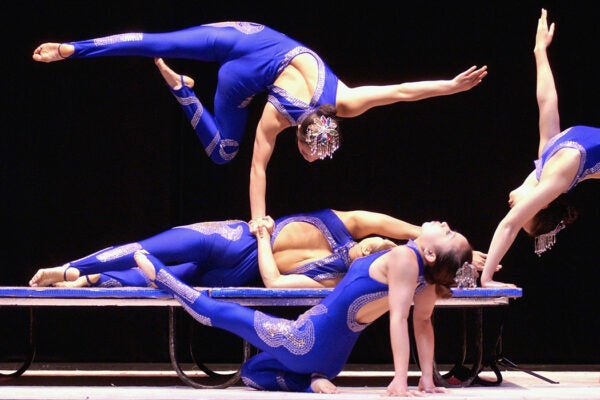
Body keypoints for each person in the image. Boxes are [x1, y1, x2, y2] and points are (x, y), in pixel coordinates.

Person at [32, 22, 488, 222]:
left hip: (248, 39)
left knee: (157, 39)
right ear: (305, 135)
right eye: (311, 153)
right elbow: (257, 168)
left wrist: (451, 86)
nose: (310, 160)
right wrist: (259, 220)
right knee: (222, 153)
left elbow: (404, 91)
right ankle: (180, 89)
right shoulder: (279, 116)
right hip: (240, 69)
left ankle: (79, 48)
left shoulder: (344, 99)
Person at [133, 219, 473, 394]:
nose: (444, 224)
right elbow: (423, 324)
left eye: (448, 233)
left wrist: (401, 380)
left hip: (304, 340)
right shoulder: (425, 278)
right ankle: (309, 382)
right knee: (251, 371)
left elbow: (400, 319)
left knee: (224, 313)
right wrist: (426, 378)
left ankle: (163, 277)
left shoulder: (405, 258)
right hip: (329, 356)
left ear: (430, 254)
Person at [481, 8, 594, 288]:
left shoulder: (548, 159)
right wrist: (487, 277)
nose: (513, 209)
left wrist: (539, 51)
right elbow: (509, 224)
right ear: (541, 204)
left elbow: (547, 102)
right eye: (526, 217)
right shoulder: (558, 178)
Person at [29, 209, 417, 288]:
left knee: (153, 280)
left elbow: (274, 280)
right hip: (230, 237)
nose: (377, 244)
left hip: (238, 270)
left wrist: (265, 238)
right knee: (146, 248)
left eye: (381, 251)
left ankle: (92, 279)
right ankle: (69, 269)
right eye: (379, 243)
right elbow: (382, 223)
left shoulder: (337, 279)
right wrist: (418, 234)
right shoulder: (344, 222)